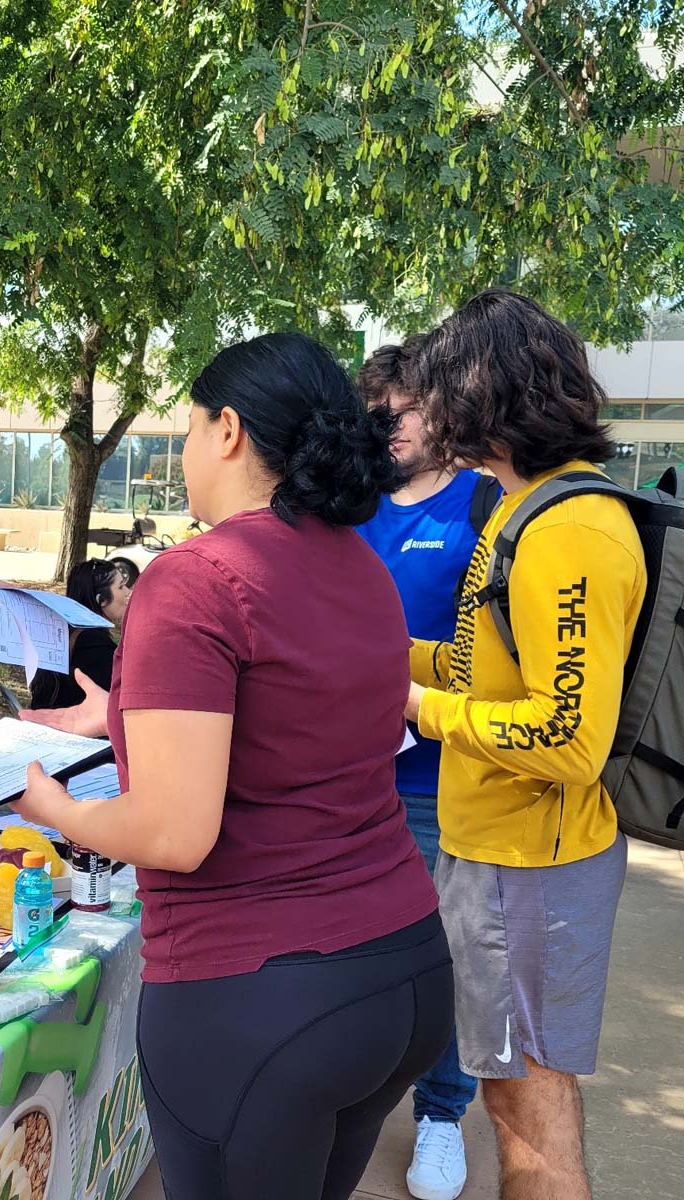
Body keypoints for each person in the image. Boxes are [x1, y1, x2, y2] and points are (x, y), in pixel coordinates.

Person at [17, 332, 454, 1200]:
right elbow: (302, 711)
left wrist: (55, 809)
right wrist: (128, 715)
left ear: (227, 430)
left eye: (184, 431)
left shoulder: (196, 577)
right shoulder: (360, 567)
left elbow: (173, 834)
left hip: (264, 999)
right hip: (401, 972)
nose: (181, 456)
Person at [407, 289, 646, 1200]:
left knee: (530, 1111)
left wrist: (424, 711)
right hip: (496, 856)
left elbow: (565, 735)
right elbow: (481, 665)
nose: (427, 420)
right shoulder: (518, 509)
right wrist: (390, 657)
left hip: (532, 871)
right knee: (513, 1098)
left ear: (484, 396)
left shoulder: (573, 530)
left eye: (438, 399)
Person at [356, 336, 485, 1200]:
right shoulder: (354, 502)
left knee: (447, 961)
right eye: (376, 416)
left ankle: (442, 1115)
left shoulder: (483, 504)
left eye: (400, 412)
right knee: (362, 957)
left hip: (446, 780)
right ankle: (358, 1096)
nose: (388, 428)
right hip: (350, 778)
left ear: (441, 410)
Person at [28, 558, 133, 710]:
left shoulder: (61, 629)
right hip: (72, 729)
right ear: (101, 599)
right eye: (121, 587)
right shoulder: (94, 645)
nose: (128, 592)